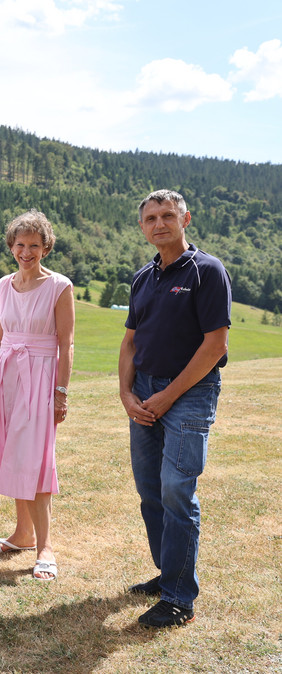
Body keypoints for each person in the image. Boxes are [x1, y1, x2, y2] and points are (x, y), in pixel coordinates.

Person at [119, 189, 230, 628]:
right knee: (150, 491)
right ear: (143, 227)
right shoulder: (143, 278)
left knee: (176, 490)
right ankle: (169, 576)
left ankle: (180, 599)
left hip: (191, 392)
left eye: (168, 215)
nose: (159, 223)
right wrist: (126, 394)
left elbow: (214, 345)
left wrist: (168, 395)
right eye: (151, 218)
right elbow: (130, 341)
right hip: (143, 391)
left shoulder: (207, 271)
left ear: (187, 219)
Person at [0, 210, 74, 581]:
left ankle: (45, 548)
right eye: (20, 245)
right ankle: (22, 534)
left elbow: (66, 344)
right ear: (11, 247)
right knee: (13, 455)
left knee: (36, 460)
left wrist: (61, 392)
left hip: (40, 376)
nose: (27, 252)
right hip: (4, 375)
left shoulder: (60, 286)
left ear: (46, 248)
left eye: (34, 245)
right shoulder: (2, 285)